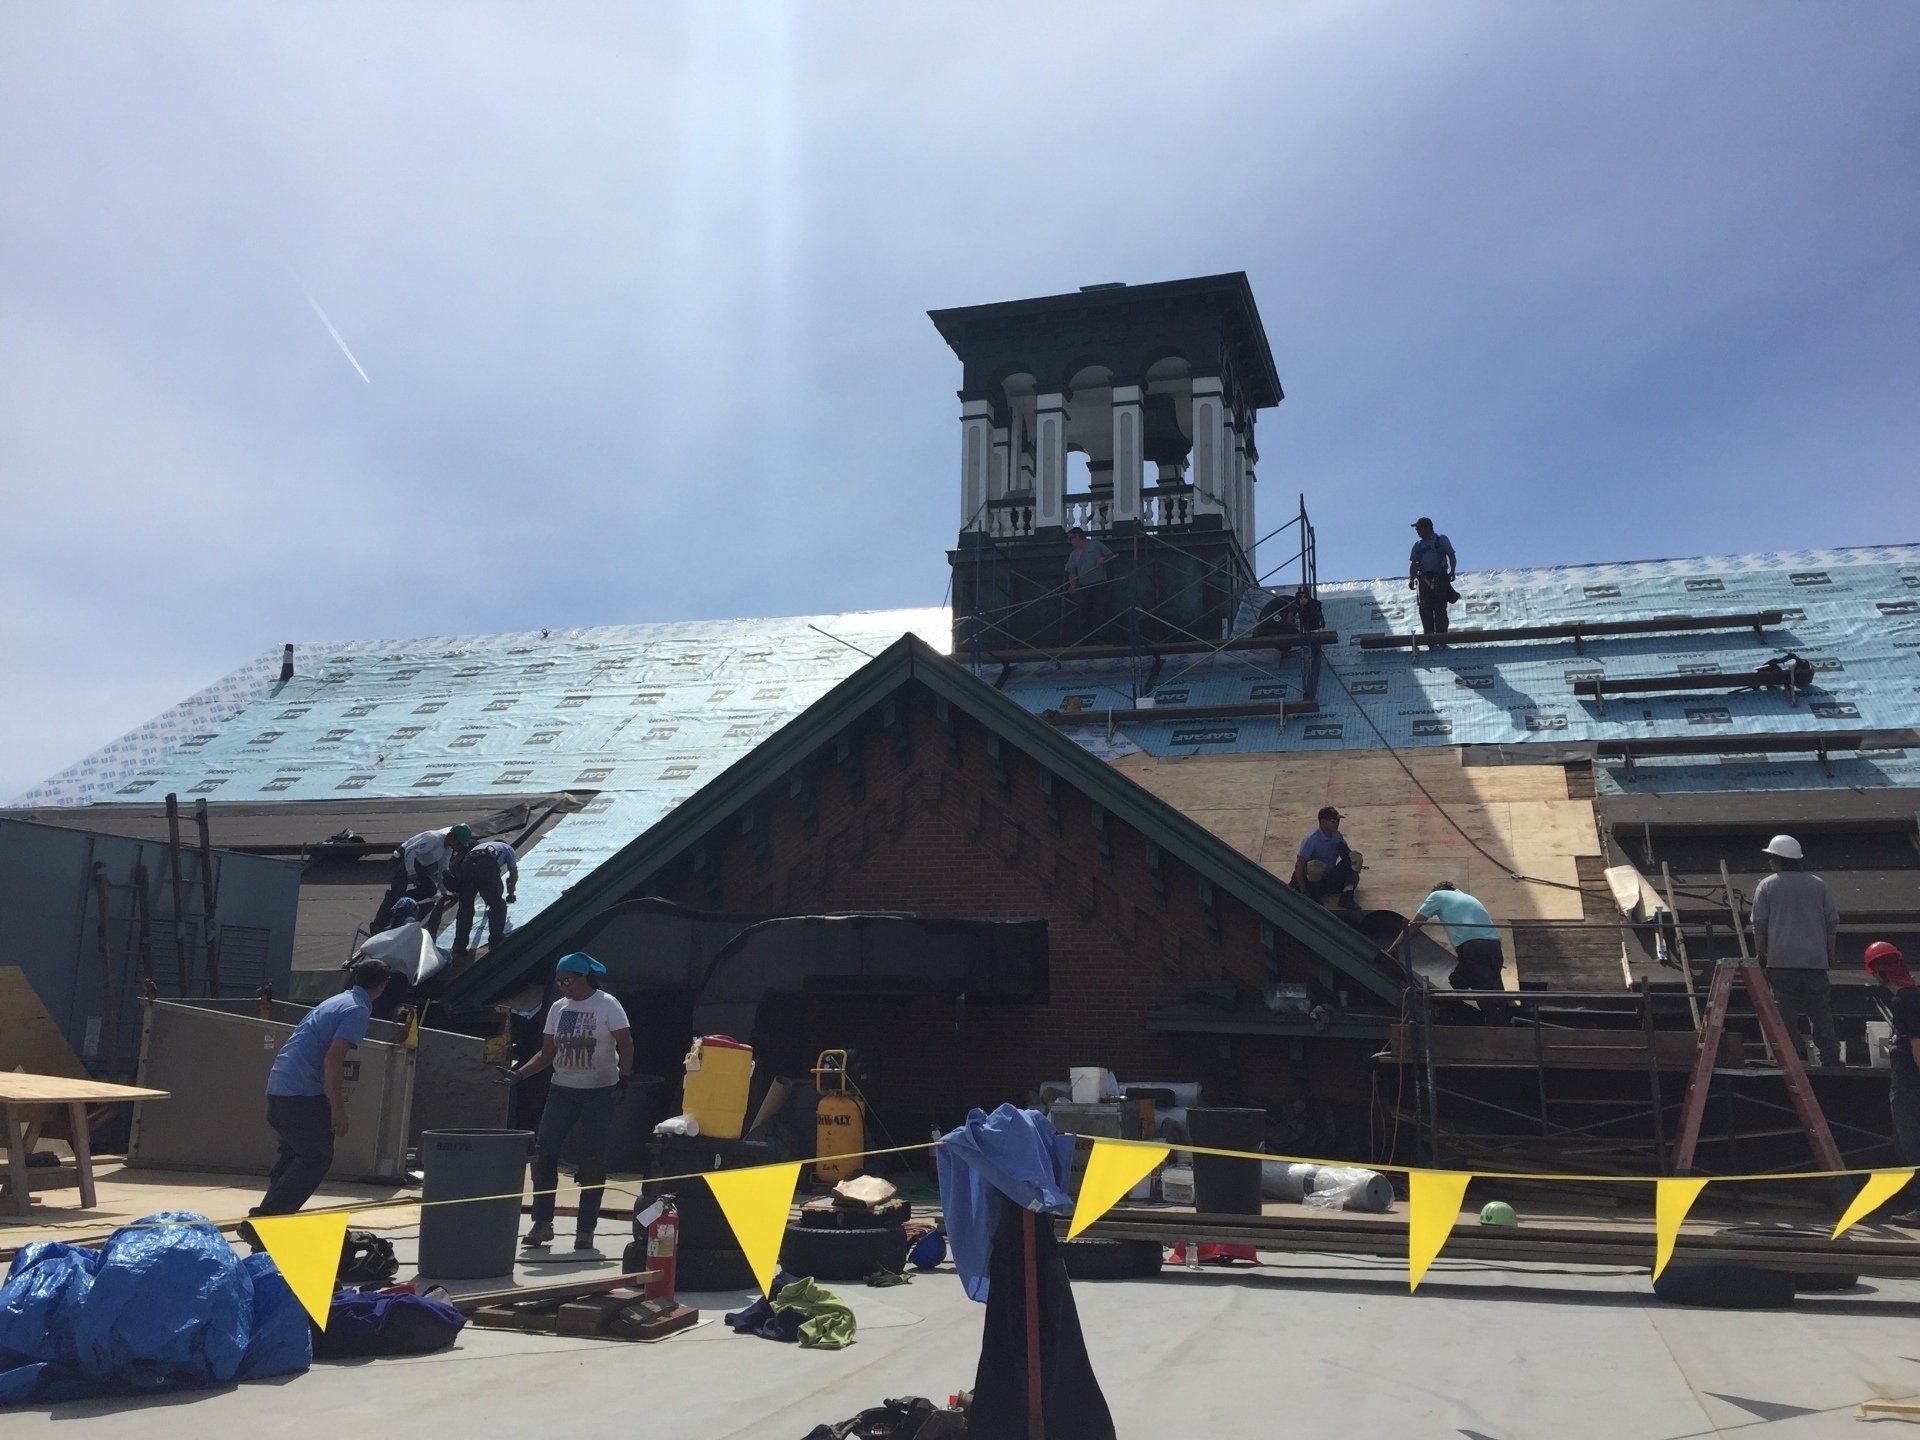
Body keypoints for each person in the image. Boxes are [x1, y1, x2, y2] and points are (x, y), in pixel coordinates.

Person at [247, 958, 391, 1231]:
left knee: (293, 1156)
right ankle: (266, 1219)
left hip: (280, 1086)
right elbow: (334, 1060)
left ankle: (269, 1224)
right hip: (301, 1092)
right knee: (316, 1156)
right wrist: (338, 1108)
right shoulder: (357, 1010)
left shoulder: (336, 1001)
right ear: (383, 986)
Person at [509, 953, 632, 1251]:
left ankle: (586, 1229)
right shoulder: (558, 1008)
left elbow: (626, 1043)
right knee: (545, 1154)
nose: (563, 987)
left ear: (583, 977)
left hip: (599, 1092)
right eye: (558, 982)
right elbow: (547, 1053)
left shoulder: (607, 1005)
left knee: (592, 1160)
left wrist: (624, 1078)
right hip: (562, 1090)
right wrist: (519, 1074)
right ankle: (542, 1223)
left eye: (567, 980)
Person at [1750, 834, 1842, 1069]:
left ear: (1778, 860)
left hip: (1781, 964)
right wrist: (1830, 955)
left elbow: (1759, 925)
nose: (1770, 861)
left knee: (1784, 1017)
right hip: (1815, 963)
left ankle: (1792, 1061)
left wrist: (1760, 954)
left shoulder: (1767, 885)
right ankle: (1830, 1060)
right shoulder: (1818, 885)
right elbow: (1831, 923)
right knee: (1821, 1014)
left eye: (1771, 857)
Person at [1404, 881, 1506, 1023]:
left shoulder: (1437, 895)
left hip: (1473, 947)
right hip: (1494, 946)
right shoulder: (1469, 898)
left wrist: (1394, 947)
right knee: (1493, 989)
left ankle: (1496, 1027)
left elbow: (1414, 924)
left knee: (1480, 991)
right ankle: (1503, 1020)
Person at [1865, 943, 1920, 1193]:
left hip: (1908, 1084)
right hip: (1908, 1082)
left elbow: (1917, 1045)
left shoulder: (1904, 1001)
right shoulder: (1913, 995)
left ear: (1878, 973)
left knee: (1911, 1146)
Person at [370, 823, 474, 933]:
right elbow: (410, 851)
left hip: (418, 864)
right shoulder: (433, 838)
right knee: (397, 891)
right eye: (459, 843)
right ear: (452, 837)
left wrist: (444, 891)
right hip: (402, 859)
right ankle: (378, 924)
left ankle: (399, 901)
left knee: (430, 889)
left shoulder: (448, 848)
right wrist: (411, 873)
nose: (458, 847)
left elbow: (443, 869)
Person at [449, 841, 513, 963]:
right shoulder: (508, 849)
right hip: (484, 866)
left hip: (468, 864)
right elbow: (513, 874)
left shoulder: (483, 846)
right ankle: (495, 942)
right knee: (498, 906)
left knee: (465, 908)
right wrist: (511, 893)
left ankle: (459, 946)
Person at [1292, 806, 1361, 910]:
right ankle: (1313, 895)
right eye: (1333, 821)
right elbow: (1299, 865)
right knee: (1315, 866)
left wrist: (1352, 861)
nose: (1337, 823)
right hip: (1312, 880)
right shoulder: (1311, 839)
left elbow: (1348, 856)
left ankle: (1347, 897)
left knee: (1354, 858)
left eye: (1338, 820)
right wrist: (1302, 888)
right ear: (1323, 822)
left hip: (1328, 876)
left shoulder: (1337, 836)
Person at [1407, 516, 1458, 639]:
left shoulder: (1441, 540)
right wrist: (1411, 579)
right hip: (1424, 580)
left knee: (1440, 609)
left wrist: (1452, 571)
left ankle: (1442, 639)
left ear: (1427, 528)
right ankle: (1430, 640)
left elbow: (1451, 555)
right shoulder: (1417, 545)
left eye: (1418, 528)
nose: (1417, 531)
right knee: (1425, 610)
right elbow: (1414, 564)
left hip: (1440, 578)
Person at [1063, 526, 1115, 642]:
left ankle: (1102, 639)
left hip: (1099, 585)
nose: (1070, 542)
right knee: (1084, 613)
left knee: (1100, 612)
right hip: (1083, 587)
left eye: (1071, 538)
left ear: (1078, 536)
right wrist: (1072, 584)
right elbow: (1072, 572)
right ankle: (1086, 640)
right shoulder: (1073, 554)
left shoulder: (1095, 544)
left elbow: (1110, 555)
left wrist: (1103, 559)